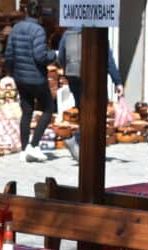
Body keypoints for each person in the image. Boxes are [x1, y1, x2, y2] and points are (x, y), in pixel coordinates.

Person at [56, 28, 124, 160]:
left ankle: (83, 146)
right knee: (95, 114)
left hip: (74, 77)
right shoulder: (97, 33)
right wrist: (118, 82)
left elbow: (61, 57)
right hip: (94, 78)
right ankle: (79, 142)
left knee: (83, 111)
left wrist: (67, 72)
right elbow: (108, 60)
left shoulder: (67, 34)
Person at [4, 0, 56, 163]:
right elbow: (40, 56)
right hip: (36, 78)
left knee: (26, 111)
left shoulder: (16, 28)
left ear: (26, 12)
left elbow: (9, 54)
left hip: (20, 78)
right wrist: (53, 55)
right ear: (39, 14)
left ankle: (24, 148)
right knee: (49, 108)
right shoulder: (38, 31)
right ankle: (33, 145)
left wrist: (11, 72)